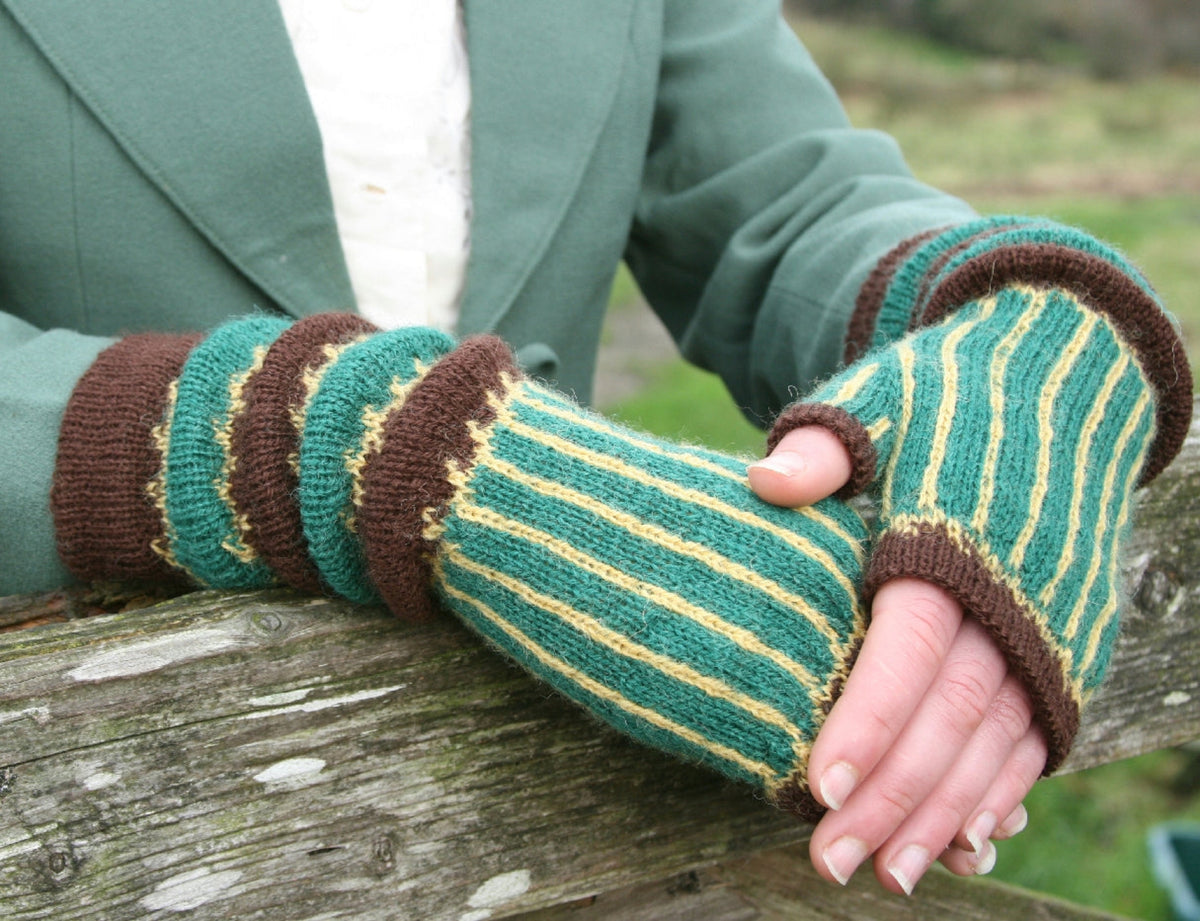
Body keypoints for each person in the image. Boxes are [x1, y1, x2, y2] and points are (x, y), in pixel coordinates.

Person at [0, 0, 1190, 898]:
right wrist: (322, 436)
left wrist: (1009, 309)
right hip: (112, 821)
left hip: (562, 821)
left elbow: (778, 203)